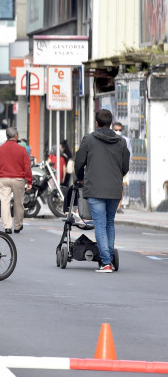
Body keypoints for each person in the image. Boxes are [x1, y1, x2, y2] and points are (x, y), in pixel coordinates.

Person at [75, 109, 131, 273]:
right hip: (114, 189)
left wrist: (80, 177)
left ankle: (106, 262)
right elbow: (125, 167)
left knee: (99, 224)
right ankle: (109, 260)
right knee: (109, 223)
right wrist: (116, 177)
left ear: (97, 123)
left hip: (94, 188)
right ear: (111, 123)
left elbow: (79, 161)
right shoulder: (121, 142)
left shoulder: (89, 139)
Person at [0, 127, 33, 234]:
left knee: (5, 202)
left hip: (3, 178)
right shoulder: (21, 149)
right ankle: (18, 226)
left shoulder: (0, 149)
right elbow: (27, 166)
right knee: (19, 203)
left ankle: (7, 227)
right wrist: (29, 181)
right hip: (18, 179)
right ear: (16, 136)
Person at [111, 121, 132, 210]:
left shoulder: (126, 140)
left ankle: (119, 205)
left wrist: (126, 167)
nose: (118, 132)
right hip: (111, 166)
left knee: (121, 186)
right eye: (116, 130)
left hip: (122, 166)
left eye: (119, 130)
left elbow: (130, 154)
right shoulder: (109, 139)